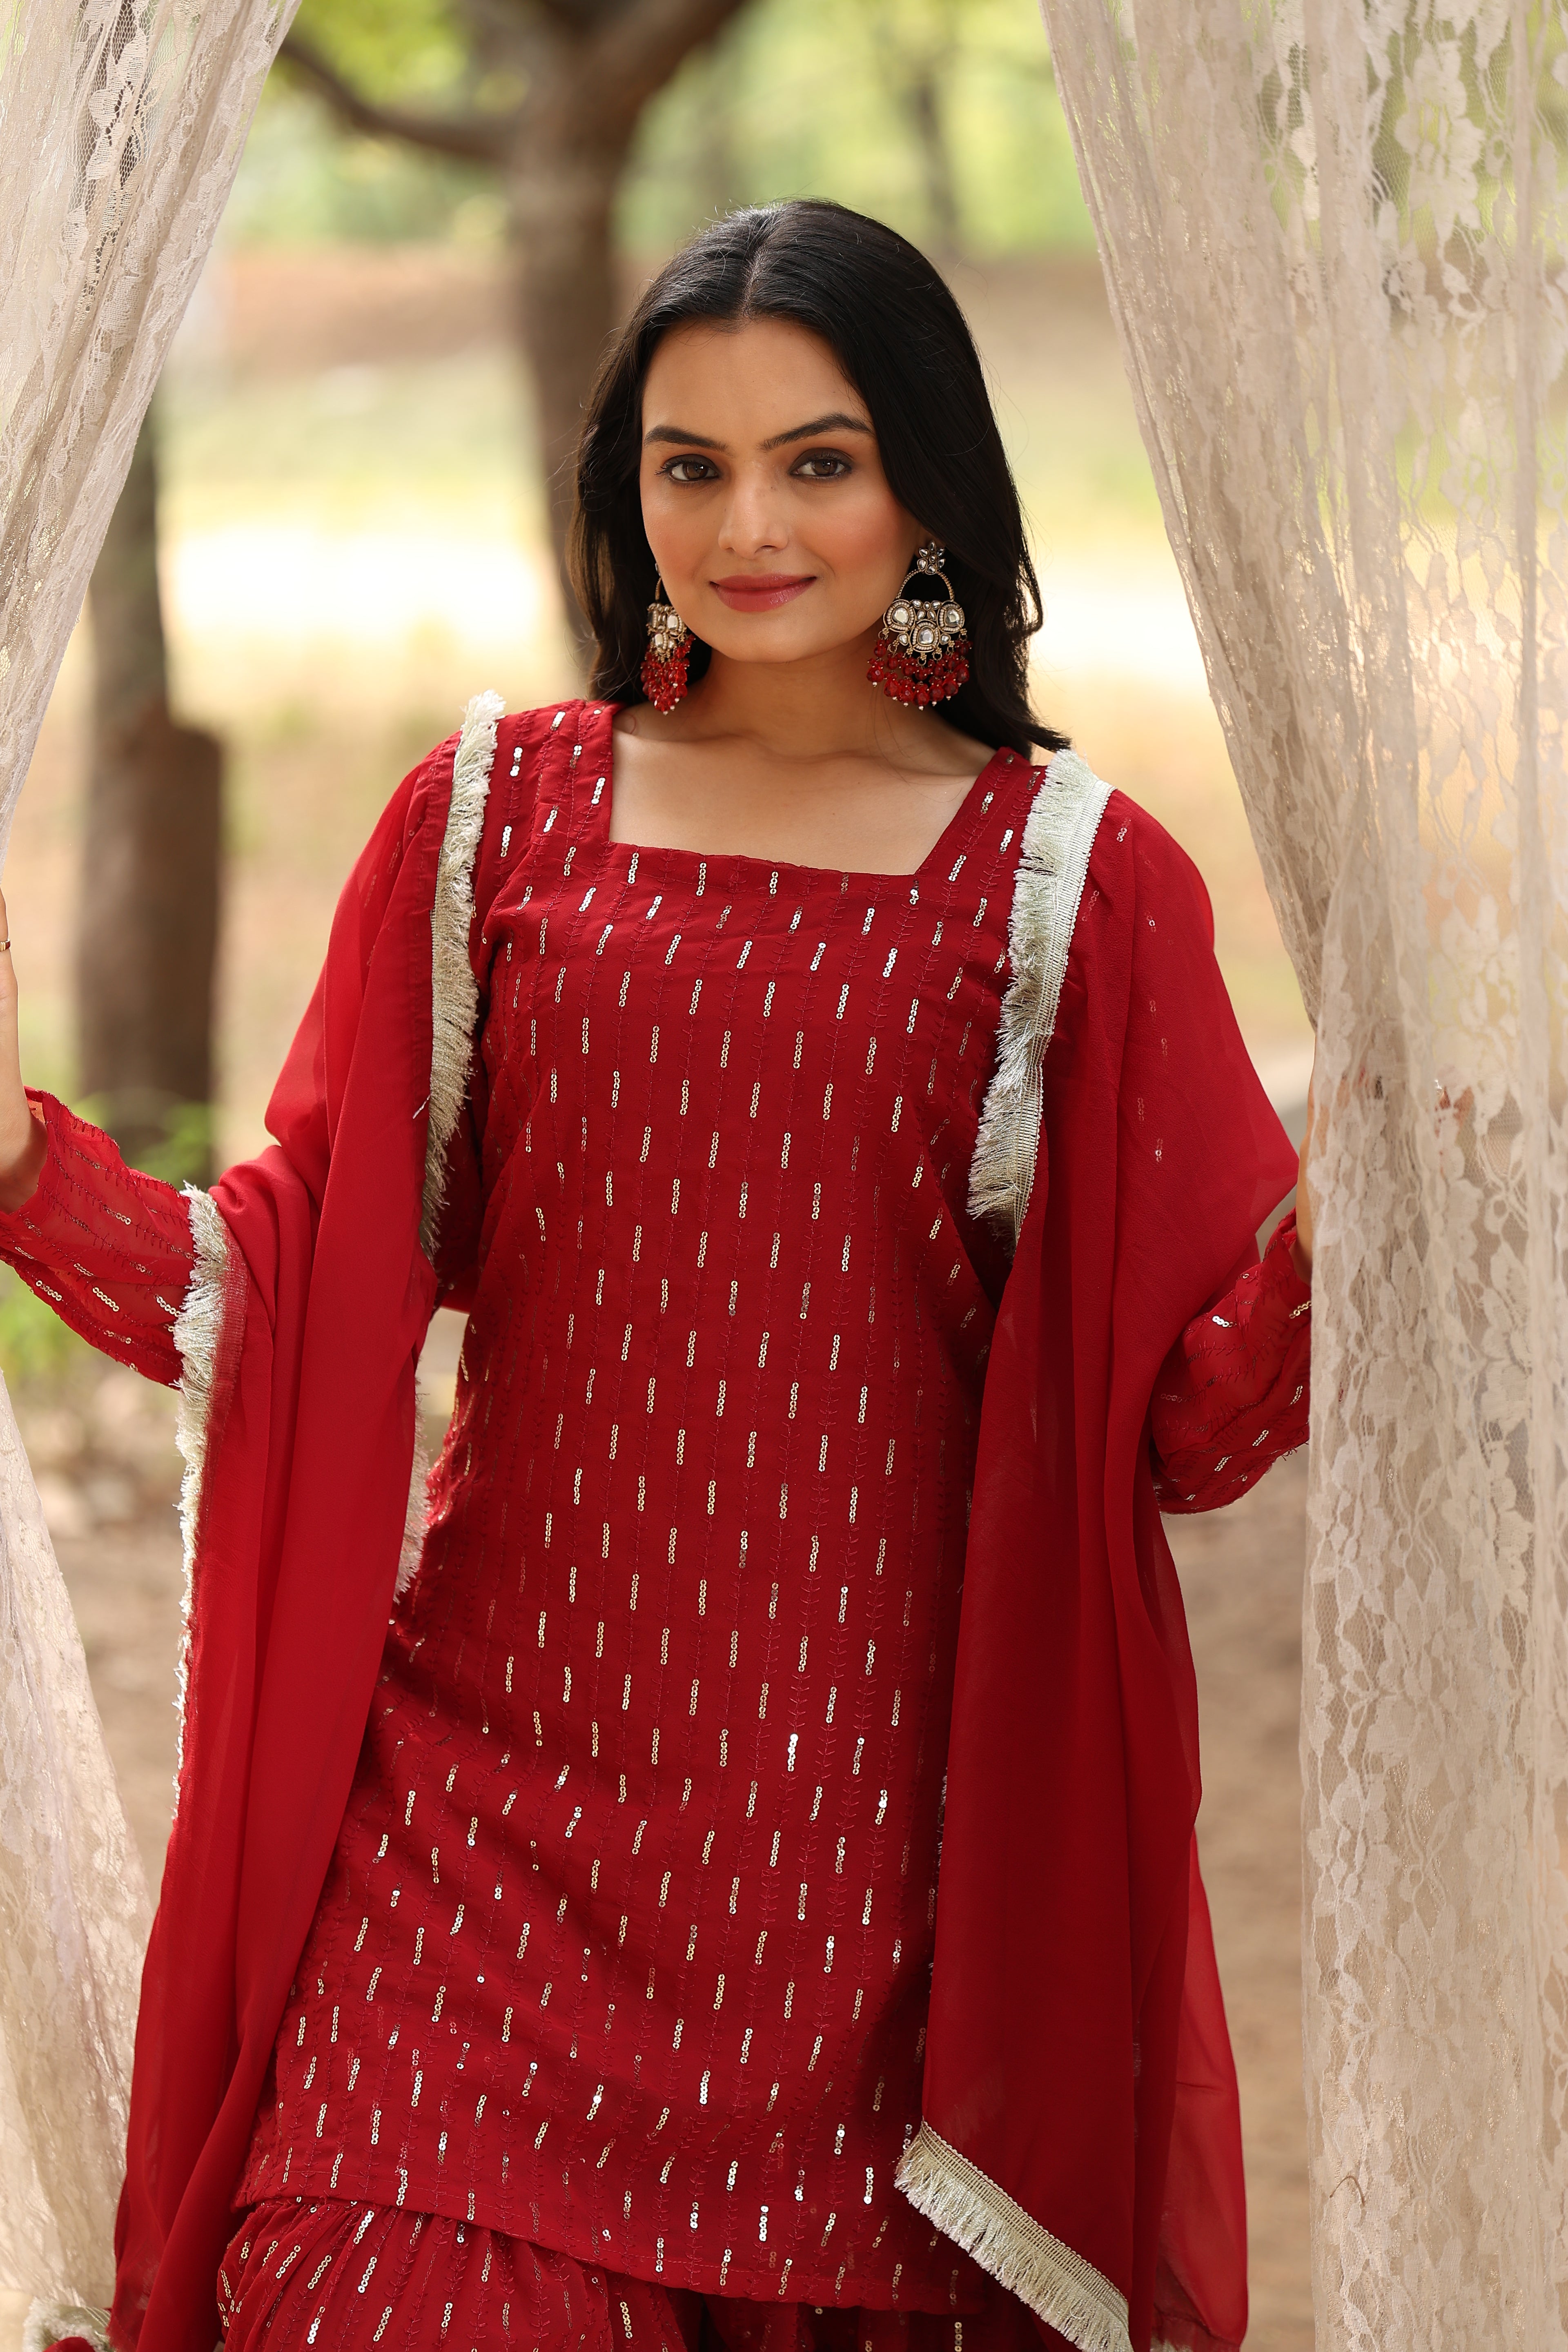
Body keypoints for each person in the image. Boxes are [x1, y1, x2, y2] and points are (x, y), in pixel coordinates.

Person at [1, 202, 1312, 2352]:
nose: (750, 524)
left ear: (933, 489)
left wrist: (1368, 1260)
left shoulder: (1083, 887)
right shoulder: (489, 824)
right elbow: (275, 1312)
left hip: (878, 1945)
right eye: (687, 466)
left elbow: (1171, 1431)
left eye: (819, 459)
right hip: (471, 1886)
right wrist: (13, 1160)